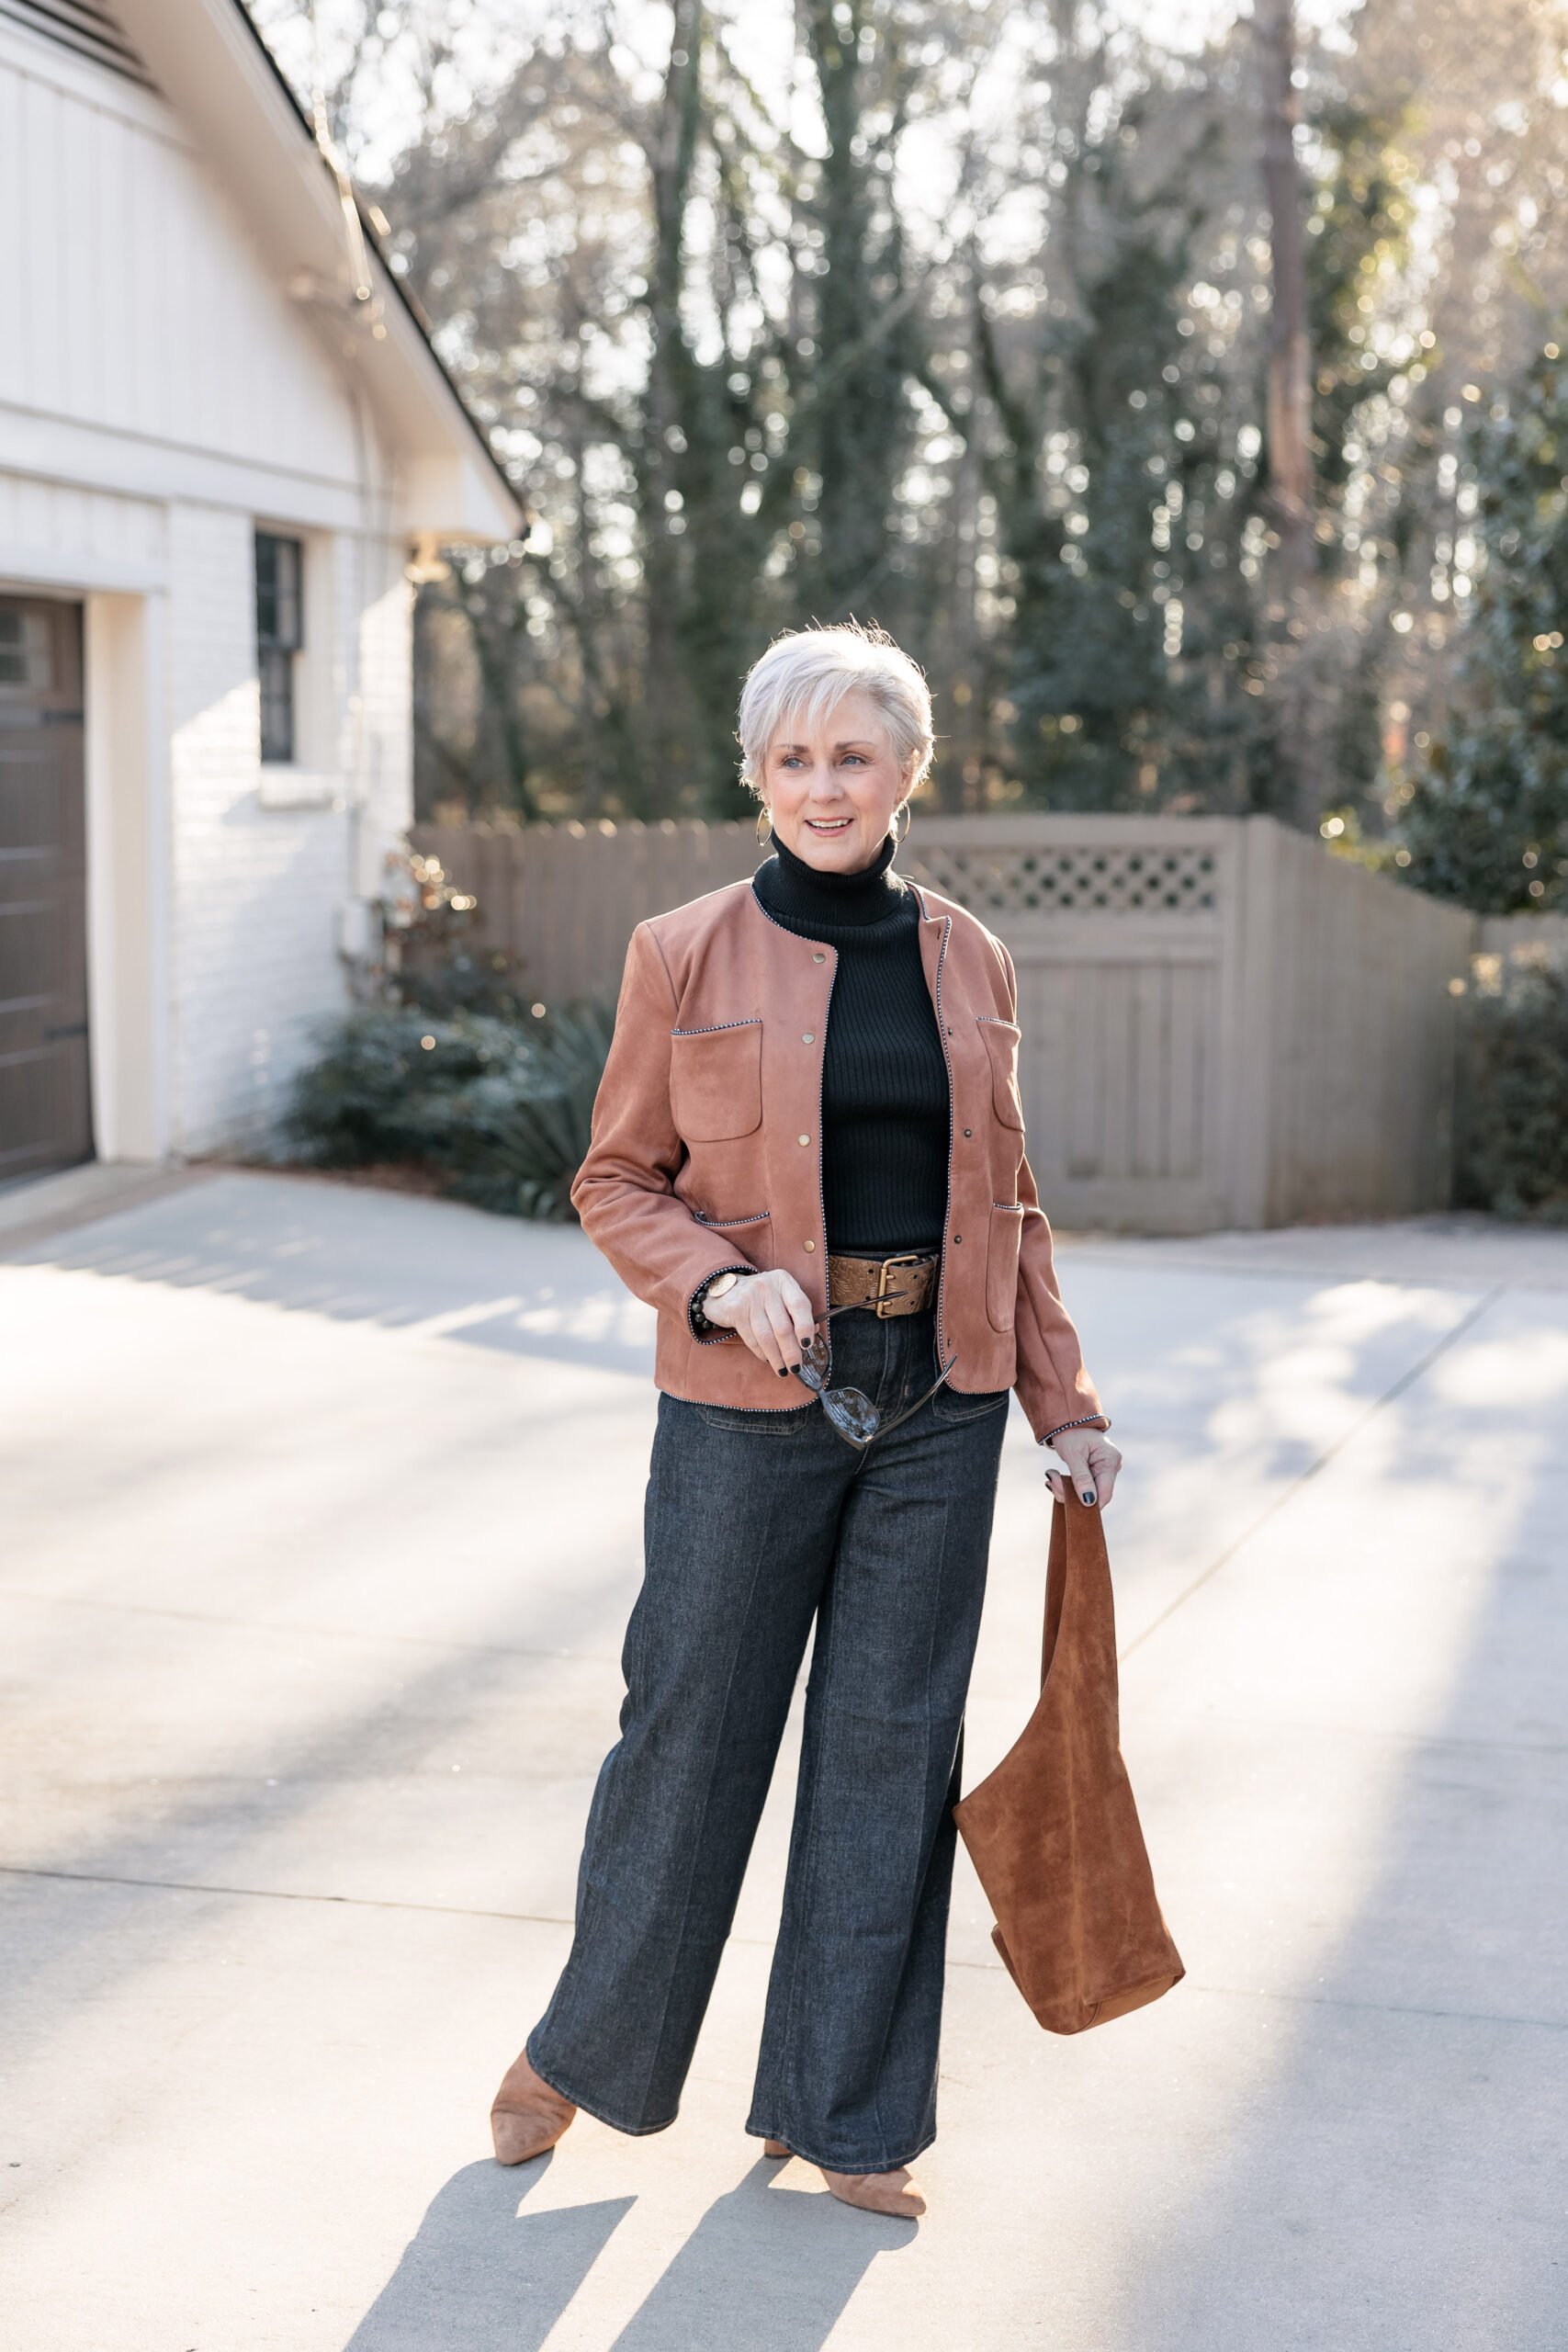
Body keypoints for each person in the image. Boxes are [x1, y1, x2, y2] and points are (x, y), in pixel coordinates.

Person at [488, 622, 1120, 2220]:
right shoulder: (681, 951)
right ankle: (583, 2054)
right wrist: (715, 1284)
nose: (823, 786)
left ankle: (843, 2113)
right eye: (793, 758)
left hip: (941, 1402)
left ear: (908, 772)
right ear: (756, 776)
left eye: (853, 756)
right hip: (746, 1407)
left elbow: (1012, 1202)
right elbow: (614, 1180)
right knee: (689, 1735)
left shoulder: (971, 960)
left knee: (892, 1754)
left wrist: (1063, 1400)